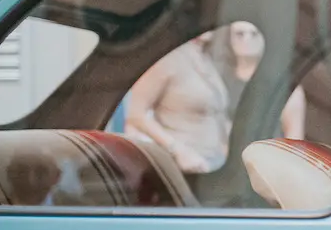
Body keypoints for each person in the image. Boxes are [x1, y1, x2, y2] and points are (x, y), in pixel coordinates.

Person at [124, 31, 230, 174]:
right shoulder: (167, 58)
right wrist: (179, 151)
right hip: (186, 167)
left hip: (215, 163)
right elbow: (135, 114)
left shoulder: (205, 57)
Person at [216, 21, 306, 140]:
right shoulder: (215, 77)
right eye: (239, 34)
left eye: (254, 34)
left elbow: (295, 140)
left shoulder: (285, 88)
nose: (246, 40)